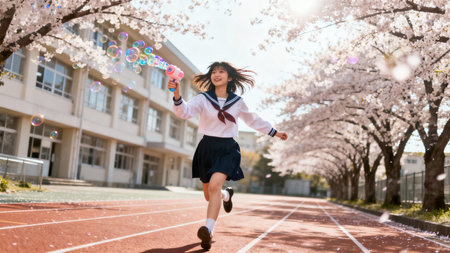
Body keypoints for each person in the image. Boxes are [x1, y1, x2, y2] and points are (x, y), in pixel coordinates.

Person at [168, 61, 288, 250]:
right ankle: (226, 195)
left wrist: (274, 132)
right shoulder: (203, 98)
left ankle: (208, 230)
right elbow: (184, 112)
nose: (216, 74)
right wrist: (176, 93)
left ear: (229, 77)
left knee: (215, 185)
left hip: (228, 149)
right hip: (207, 148)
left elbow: (252, 120)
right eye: (214, 72)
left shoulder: (237, 102)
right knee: (210, 195)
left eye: (221, 72)